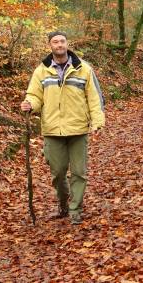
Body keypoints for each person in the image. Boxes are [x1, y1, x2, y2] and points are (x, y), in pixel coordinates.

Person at [21, 31, 105, 225]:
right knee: (58, 173)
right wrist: (30, 104)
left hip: (78, 129)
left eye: (62, 41)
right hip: (52, 129)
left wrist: (97, 121)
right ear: (50, 45)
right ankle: (63, 203)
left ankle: (76, 210)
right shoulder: (41, 71)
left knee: (79, 172)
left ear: (67, 44)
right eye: (55, 42)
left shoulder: (83, 69)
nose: (59, 44)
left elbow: (94, 97)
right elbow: (34, 95)